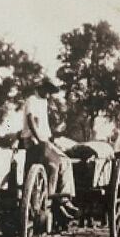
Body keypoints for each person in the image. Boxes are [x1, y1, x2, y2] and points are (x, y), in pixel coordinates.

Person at [21, 77, 79, 222]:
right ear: (41, 88)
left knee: (62, 162)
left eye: (50, 92)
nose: (49, 94)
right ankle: (60, 199)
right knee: (61, 162)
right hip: (35, 141)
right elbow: (31, 121)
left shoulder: (43, 102)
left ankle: (60, 198)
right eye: (47, 90)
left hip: (43, 141)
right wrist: (40, 139)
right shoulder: (32, 100)